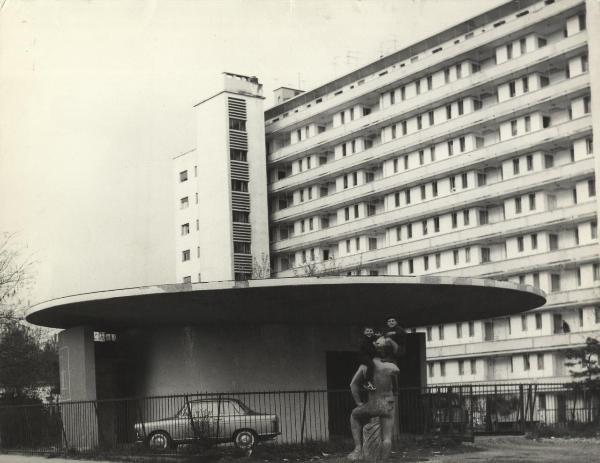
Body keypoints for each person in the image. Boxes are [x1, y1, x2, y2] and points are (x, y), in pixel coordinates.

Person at [348, 336, 399, 461]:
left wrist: (358, 402)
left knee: (354, 416)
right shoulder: (390, 367)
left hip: (374, 404)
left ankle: (358, 448)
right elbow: (396, 373)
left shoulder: (364, 367)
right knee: (387, 437)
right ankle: (383, 461)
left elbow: (352, 385)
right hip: (388, 404)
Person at [358, 326, 377, 391]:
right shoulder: (364, 340)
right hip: (364, 356)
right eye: (367, 331)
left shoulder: (372, 339)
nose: (369, 332)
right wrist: (374, 345)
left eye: (370, 331)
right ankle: (367, 382)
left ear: (373, 332)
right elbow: (369, 350)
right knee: (371, 365)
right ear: (364, 332)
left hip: (369, 356)